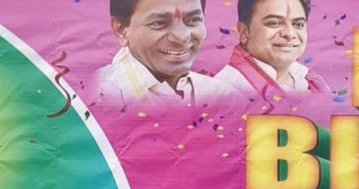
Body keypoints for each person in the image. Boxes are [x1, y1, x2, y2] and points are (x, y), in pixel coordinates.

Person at [95, 0, 251, 108]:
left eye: (193, 20)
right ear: (121, 30)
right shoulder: (96, 96)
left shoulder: (223, 97)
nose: (181, 37)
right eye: (159, 23)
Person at [211, 0, 330, 101]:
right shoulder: (227, 90)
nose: (290, 34)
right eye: (274, 23)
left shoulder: (311, 81)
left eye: (298, 24)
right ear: (244, 32)